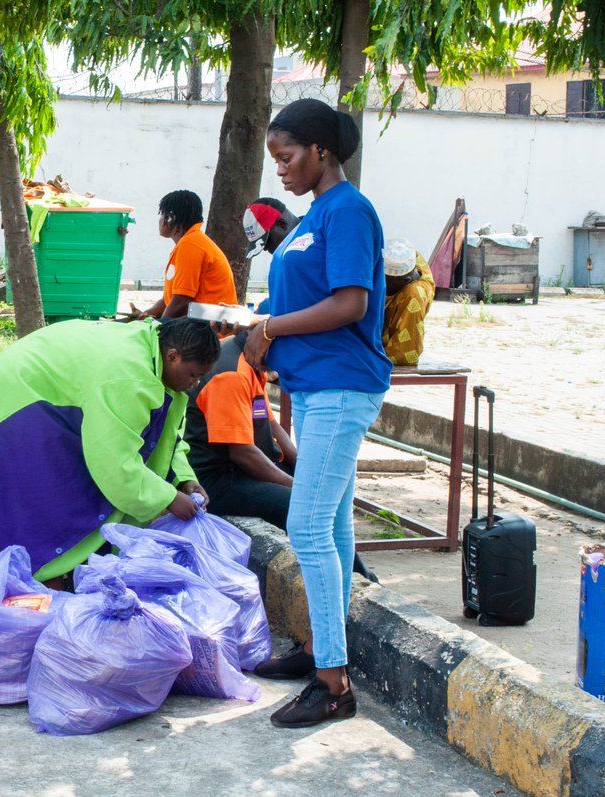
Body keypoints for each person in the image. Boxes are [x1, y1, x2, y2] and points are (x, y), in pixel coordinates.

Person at [240, 99, 391, 728]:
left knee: (306, 527)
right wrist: (257, 322)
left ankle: (334, 684)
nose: (280, 169)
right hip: (313, 387)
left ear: (321, 150)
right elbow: (304, 294)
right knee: (332, 527)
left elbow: (351, 302)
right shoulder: (315, 215)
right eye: (275, 159)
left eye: (287, 156)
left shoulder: (349, 210)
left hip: (341, 386)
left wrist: (272, 327)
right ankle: (318, 646)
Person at [0, 317, 220, 584]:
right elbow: (114, 463)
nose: (195, 383)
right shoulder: (129, 377)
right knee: (51, 499)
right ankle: (41, 578)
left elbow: (167, 436)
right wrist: (167, 498)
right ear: (172, 356)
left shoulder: (154, 348)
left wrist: (184, 478)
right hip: (19, 394)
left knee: (81, 490)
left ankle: (50, 570)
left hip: (39, 382)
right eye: (193, 375)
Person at [183, 330, 378, 582]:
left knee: (323, 495)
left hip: (246, 466)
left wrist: (305, 468)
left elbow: (271, 424)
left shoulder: (251, 362)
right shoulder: (231, 375)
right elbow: (242, 453)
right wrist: (296, 485)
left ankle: (359, 576)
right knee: (303, 505)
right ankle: (359, 580)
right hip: (220, 479)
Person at [130, 190, 236, 319]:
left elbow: (181, 302)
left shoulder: (190, 245)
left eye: (161, 214)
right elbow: (168, 301)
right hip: (199, 323)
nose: (160, 220)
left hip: (207, 328)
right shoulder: (190, 242)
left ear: (170, 218)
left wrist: (157, 326)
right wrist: (144, 315)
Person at [381, 239, 435, 366]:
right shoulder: (397, 257)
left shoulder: (414, 297)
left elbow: (406, 354)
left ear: (405, 280)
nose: (380, 283)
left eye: (385, 280)